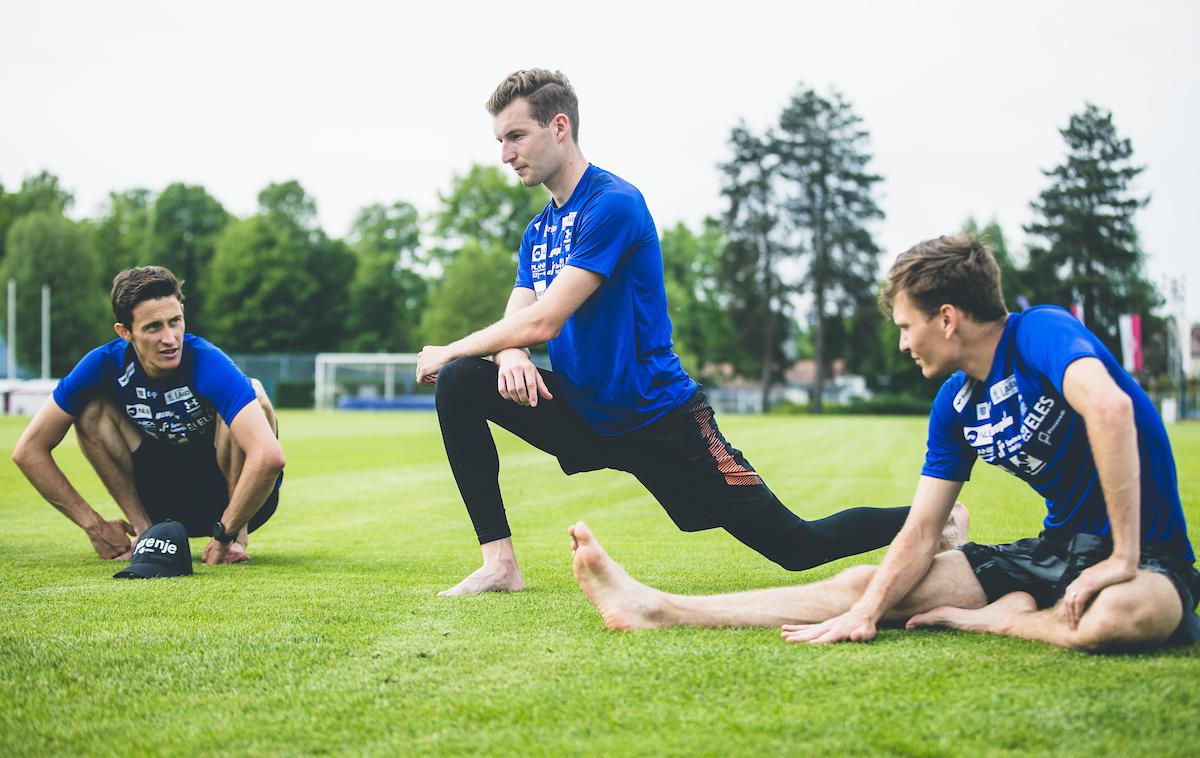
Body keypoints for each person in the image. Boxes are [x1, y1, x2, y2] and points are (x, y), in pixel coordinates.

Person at [416, 69, 966, 597]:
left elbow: (543, 320)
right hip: (583, 413)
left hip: (659, 420)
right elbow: (521, 319)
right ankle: (500, 564)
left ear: (559, 126)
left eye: (516, 136)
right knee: (462, 381)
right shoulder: (538, 231)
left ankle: (938, 520)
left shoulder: (612, 205)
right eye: (499, 140)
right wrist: (509, 351)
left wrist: (455, 346)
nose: (506, 155)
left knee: (796, 545)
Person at [568, 234, 1199, 652]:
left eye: (906, 325)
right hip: (1051, 554)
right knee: (866, 585)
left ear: (946, 318)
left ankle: (1005, 619)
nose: (903, 343)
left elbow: (1111, 407)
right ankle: (657, 608)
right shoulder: (954, 406)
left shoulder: (1039, 333)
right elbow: (924, 530)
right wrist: (869, 609)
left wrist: (1121, 556)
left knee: (1123, 616)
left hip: (1147, 559)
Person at [12, 266, 285, 565]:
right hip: (163, 500)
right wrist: (95, 527)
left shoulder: (207, 361)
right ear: (125, 332)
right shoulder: (103, 364)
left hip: (234, 500)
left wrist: (224, 534)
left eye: (175, 322)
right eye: (153, 327)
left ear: (182, 313)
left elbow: (269, 456)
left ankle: (235, 540)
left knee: (254, 396)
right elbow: (28, 451)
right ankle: (146, 534)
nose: (170, 338)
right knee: (90, 410)